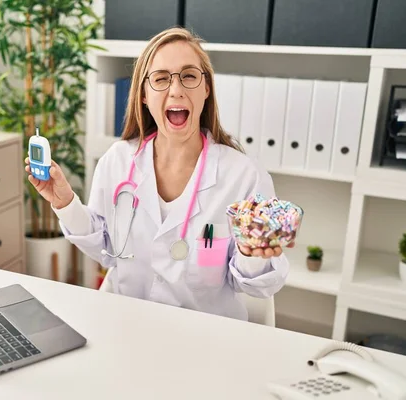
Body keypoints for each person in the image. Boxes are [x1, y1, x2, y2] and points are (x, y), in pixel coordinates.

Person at [25, 27, 293, 321]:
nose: (176, 89)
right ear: (143, 94)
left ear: (206, 89)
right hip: (127, 324)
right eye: (161, 78)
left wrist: (251, 252)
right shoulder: (118, 161)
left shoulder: (244, 177)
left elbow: (258, 286)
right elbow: (106, 249)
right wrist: (65, 203)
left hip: (206, 335)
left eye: (189, 76)